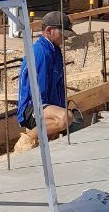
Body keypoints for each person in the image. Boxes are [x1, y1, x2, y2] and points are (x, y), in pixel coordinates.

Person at [16, 11, 82, 142]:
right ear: (50, 30)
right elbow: (39, 93)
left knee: (73, 119)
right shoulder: (40, 52)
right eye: (62, 34)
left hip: (47, 105)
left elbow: (59, 86)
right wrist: (56, 117)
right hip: (32, 107)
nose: (65, 38)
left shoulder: (55, 50)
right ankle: (26, 141)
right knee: (65, 118)